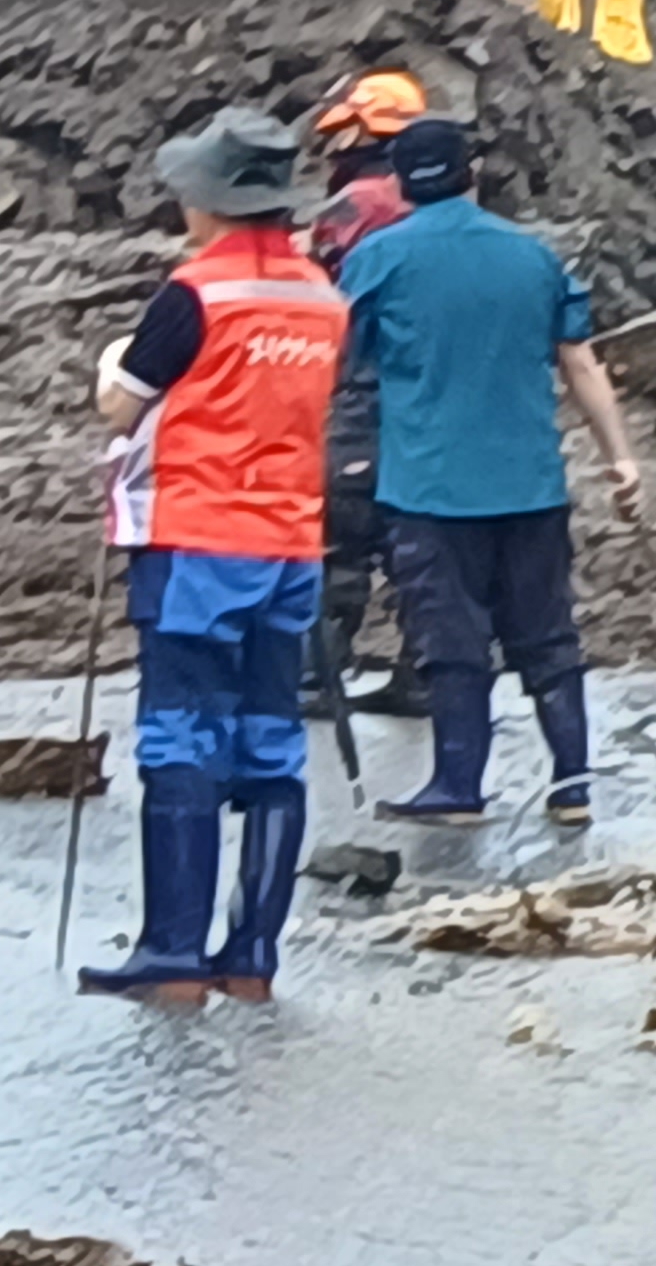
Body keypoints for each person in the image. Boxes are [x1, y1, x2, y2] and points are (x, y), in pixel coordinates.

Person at [83, 106, 348, 1002]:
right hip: (292, 542)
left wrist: (113, 362)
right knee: (272, 742)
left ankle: (172, 954)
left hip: (199, 536)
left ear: (210, 202)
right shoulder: (321, 296)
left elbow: (122, 407)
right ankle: (253, 959)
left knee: (181, 734)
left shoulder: (195, 292)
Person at [336, 114, 644, 825]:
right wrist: (620, 458)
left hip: (430, 487)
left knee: (452, 640)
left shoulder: (378, 258)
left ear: (399, 182)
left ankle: (459, 786)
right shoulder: (533, 257)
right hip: (529, 481)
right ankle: (571, 783)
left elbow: (337, 360)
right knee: (548, 633)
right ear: (471, 172)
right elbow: (580, 363)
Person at [305, 68, 431, 713]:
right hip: (433, 392)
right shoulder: (437, 201)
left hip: (364, 384)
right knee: (420, 537)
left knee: (343, 533)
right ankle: (422, 674)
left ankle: (320, 676)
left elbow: (326, 301)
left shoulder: (355, 207)